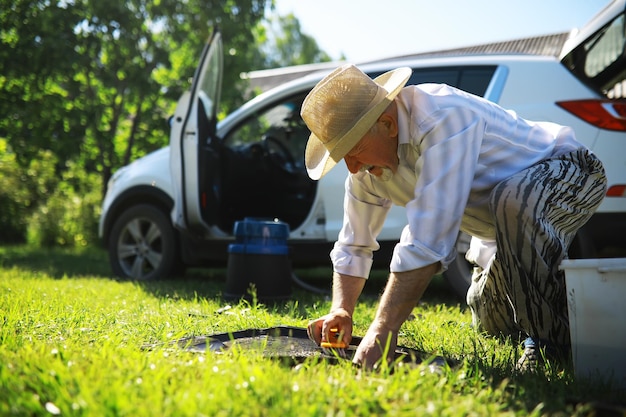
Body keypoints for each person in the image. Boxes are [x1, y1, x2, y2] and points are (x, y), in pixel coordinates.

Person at [301, 63, 607, 371]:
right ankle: (559, 294)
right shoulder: (366, 170)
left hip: (572, 170)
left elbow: (427, 239)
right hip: (501, 227)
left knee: (512, 202)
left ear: (388, 125)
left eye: (354, 150)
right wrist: (341, 309)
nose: (352, 167)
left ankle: (550, 343)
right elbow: (354, 244)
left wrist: (383, 329)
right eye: (343, 156)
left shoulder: (441, 117)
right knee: (493, 324)